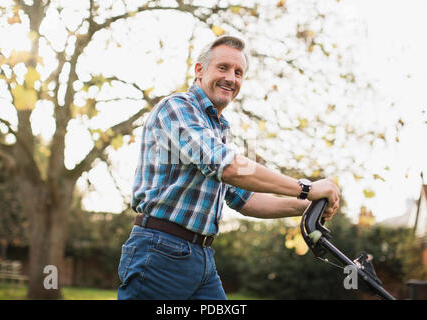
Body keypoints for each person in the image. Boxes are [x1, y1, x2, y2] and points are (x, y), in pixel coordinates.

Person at [117, 35, 340, 300]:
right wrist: (306, 189)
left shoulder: (217, 129)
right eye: (223, 68)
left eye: (238, 73)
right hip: (160, 251)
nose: (231, 79)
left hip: (201, 257)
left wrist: (307, 207)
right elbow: (230, 167)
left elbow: (245, 199)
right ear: (199, 70)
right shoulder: (177, 108)